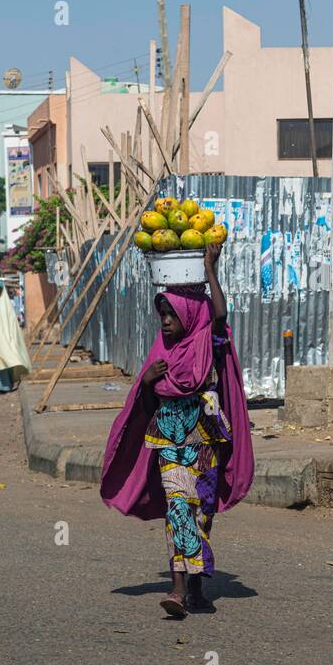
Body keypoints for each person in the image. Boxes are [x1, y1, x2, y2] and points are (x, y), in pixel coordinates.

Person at [101, 244, 253, 618]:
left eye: (171, 314)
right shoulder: (162, 350)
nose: (165, 321)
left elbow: (220, 315)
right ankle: (178, 589)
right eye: (162, 315)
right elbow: (146, 401)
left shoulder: (208, 342)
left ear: (188, 314)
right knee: (177, 509)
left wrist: (209, 268)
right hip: (169, 439)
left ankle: (198, 588)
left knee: (200, 513)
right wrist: (149, 382)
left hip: (205, 441)